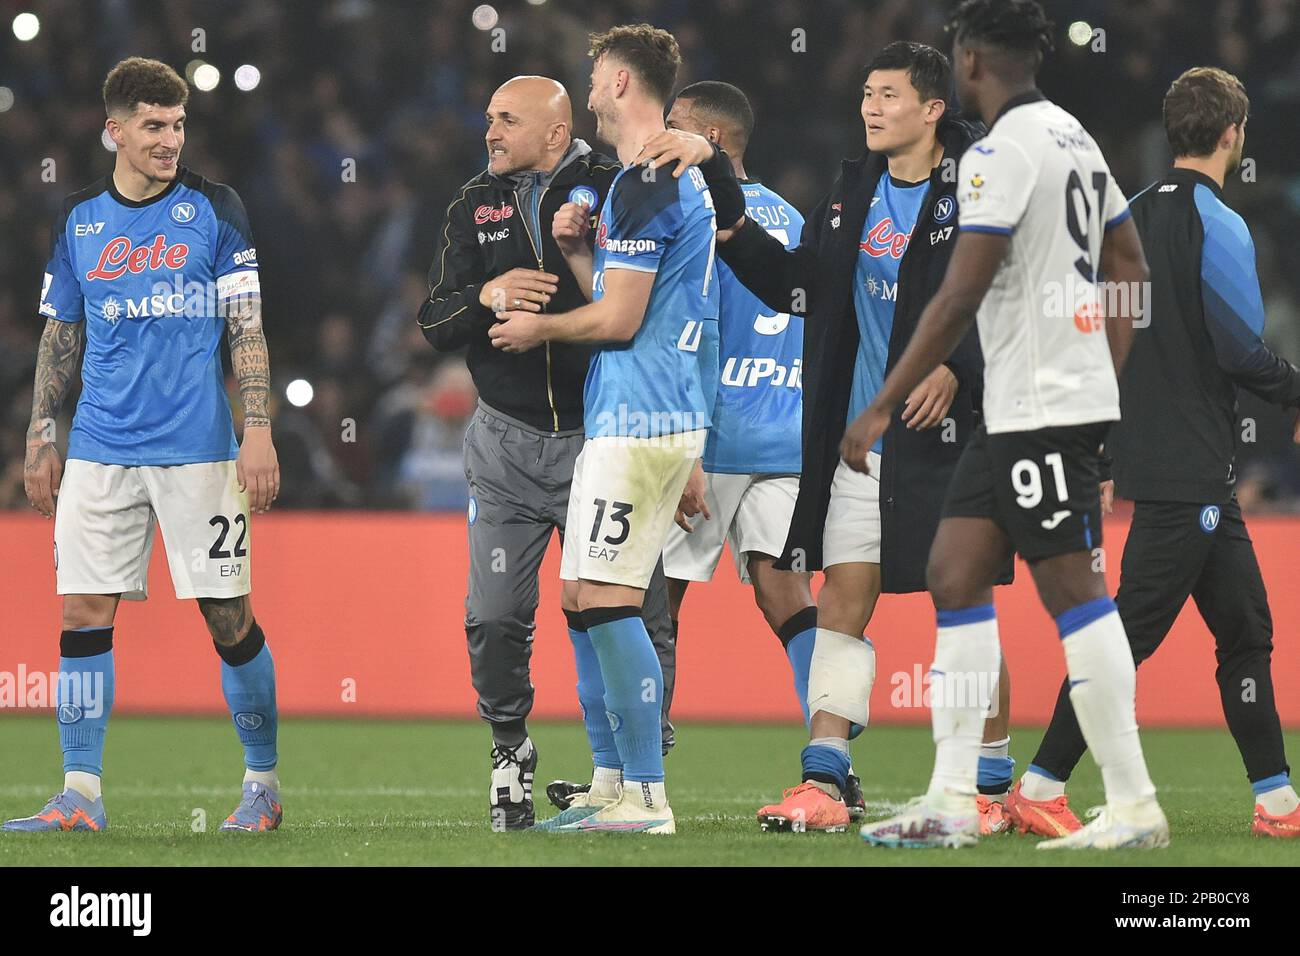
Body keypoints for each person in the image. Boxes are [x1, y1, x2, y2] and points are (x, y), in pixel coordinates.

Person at [640, 41, 1016, 834]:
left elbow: (1016, 291)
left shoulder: (983, 183)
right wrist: (723, 199)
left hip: (949, 441)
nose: (871, 108)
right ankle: (823, 778)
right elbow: (797, 284)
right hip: (860, 439)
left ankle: (989, 785)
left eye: (887, 96)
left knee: (962, 605)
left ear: (933, 108)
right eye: (867, 95)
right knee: (843, 602)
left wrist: (962, 366)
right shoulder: (853, 192)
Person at [850, 0, 1167, 850]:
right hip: (1029, 408)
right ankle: (954, 799)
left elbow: (959, 294)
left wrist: (883, 402)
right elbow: (1129, 265)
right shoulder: (1074, 137)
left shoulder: (998, 153)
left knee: (1073, 593)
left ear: (970, 63)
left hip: (1041, 409)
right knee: (955, 573)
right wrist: (1107, 367)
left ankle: (1134, 805)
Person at [1010, 66, 1300, 840]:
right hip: (1191, 467)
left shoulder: (1125, 219)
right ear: (1234, 135)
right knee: (1127, 637)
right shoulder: (1222, 223)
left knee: (1245, 630)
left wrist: (1104, 458)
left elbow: (1102, 351)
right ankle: (1038, 783)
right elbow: (1239, 349)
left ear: (1172, 131)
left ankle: (1276, 803)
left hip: (1174, 466)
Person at [6, 57, 283, 834]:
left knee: (228, 616)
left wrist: (256, 427)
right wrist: (39, 434)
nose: (170, 140)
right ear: (114, 131)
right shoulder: (77, 221)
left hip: (198, 449)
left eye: (178, 125)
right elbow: (61, 332)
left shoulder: (216, 208)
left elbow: (246, 326)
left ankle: (261, 785)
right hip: (98, 449)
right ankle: (80, 796)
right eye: (154, 126)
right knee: (83, 611)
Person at [417, 75, 676, 830]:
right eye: (488, 117)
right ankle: (509, 747)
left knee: (632, 612)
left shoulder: (616, 186)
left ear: (557, 132)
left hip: (606, 434)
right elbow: (434, 319)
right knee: (496, 614)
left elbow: (656, 303)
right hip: (504, 442)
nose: (489, 131)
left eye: (506, 120)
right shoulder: (472, 204)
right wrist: (489, 294)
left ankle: (639, 772)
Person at [490, 23, 717, 834]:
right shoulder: (645, 177)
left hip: (642, 416)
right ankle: (614, 780)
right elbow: (637, 299)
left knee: (612, 599)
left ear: (621, 83)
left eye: (593, 78)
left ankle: (646, 796)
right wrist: (583, 257)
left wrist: (538, 329)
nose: (587, 93)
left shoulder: (652, 177)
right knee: (585, 597)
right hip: (638, 411)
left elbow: (620, 323)